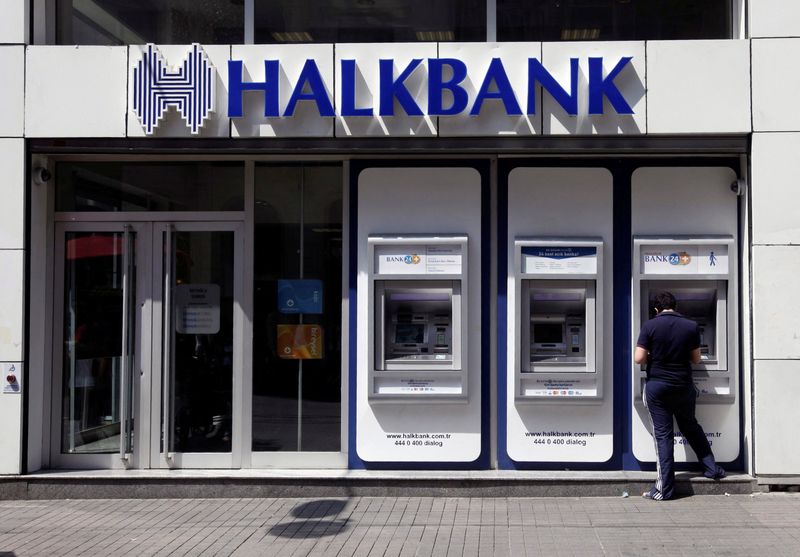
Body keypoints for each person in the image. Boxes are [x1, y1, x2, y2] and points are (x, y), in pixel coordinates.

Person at [634, 291, 725, 500]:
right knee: (691, 427)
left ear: (656, 309)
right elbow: (696, 359)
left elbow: (639, 358)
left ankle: (664, 489)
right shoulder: (691, 326)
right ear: (675, 306)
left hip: (658, 387)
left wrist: (655, 353)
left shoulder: (650, 326)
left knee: (663, 436)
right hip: (683, 386)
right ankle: (711, 469)